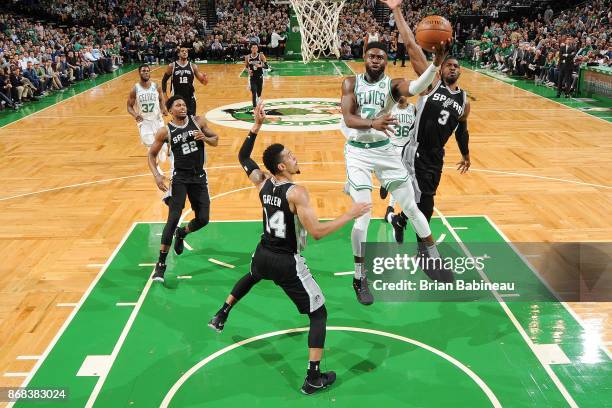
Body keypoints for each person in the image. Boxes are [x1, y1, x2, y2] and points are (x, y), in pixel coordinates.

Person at [208, 102, 370, 395]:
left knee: (254, 274)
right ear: (282, 166)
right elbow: (317, 233)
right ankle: (313, 377)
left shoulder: (261, 183)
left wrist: (255, 126)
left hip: (263, 252)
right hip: (286, 261)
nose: (296, 157)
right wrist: (350, 214)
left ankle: (222, 312)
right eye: (290, 156)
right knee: (319, 314)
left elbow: (243, 156)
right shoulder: (296, 192)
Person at [340, 0, 450, 306]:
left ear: (387, 61)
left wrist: (435, 65)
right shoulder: (350, 83)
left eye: (382, 57)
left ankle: (433, 259)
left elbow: (416, 87)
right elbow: (349, 118)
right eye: (372, 56)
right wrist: (373, 121)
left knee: (412, 208)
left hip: (385, 153)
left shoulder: (392, 85)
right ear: (364, 57)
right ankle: (359, 277)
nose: (376, 60)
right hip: (359, 154)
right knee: (363, 217)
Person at [147, 95, 219, 282]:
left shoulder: (198, 121)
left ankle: (183, 233)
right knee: (173, 218)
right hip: (180, 178)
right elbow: (151, 155)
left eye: (184, 104)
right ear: (170, 111)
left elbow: (216, 139)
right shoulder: (165, 131)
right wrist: (157, 175)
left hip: (199, 176)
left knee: (203, 219)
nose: (182, 107)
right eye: (178, 105)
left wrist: (206, 138)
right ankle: (161, 264)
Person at [127, 64, 171, 180]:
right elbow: (129, 106)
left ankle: (159, 162)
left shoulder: (156, 86)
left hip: (157, 120)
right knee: (152, 148)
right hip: (145, 123)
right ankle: (157, 171)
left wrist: (164, 109)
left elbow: (161, 99)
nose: (146, 72)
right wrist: (135, 114)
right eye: (143, 71)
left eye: (147, 71)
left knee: (164, 148)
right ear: (139, 73)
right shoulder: (135, 89)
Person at [161, 47, 208, 116]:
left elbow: (204, 83)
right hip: (176, 98)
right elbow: (164, 81)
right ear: (178, 54)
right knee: (179, 121)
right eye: (182, 51)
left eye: (186, 51)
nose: (184, 52)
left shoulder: (193, 66)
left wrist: (205, 78)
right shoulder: (172, 66)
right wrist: (165, 96)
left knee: (191, 121)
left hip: (190, 98)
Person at [245, 43, 268, 109]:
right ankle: (254, 107)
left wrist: (260, 65)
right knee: (254, 92)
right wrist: (248, 71)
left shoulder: (261, 56)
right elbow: (246, 67)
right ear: (251, 49)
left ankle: (258, 100)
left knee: (259, 93)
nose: (254, 49)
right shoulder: (247, 57)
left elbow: (266, 66)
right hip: (252, 77)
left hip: (260, 77)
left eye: (255, 48)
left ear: (257, 49)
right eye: (253, 47)